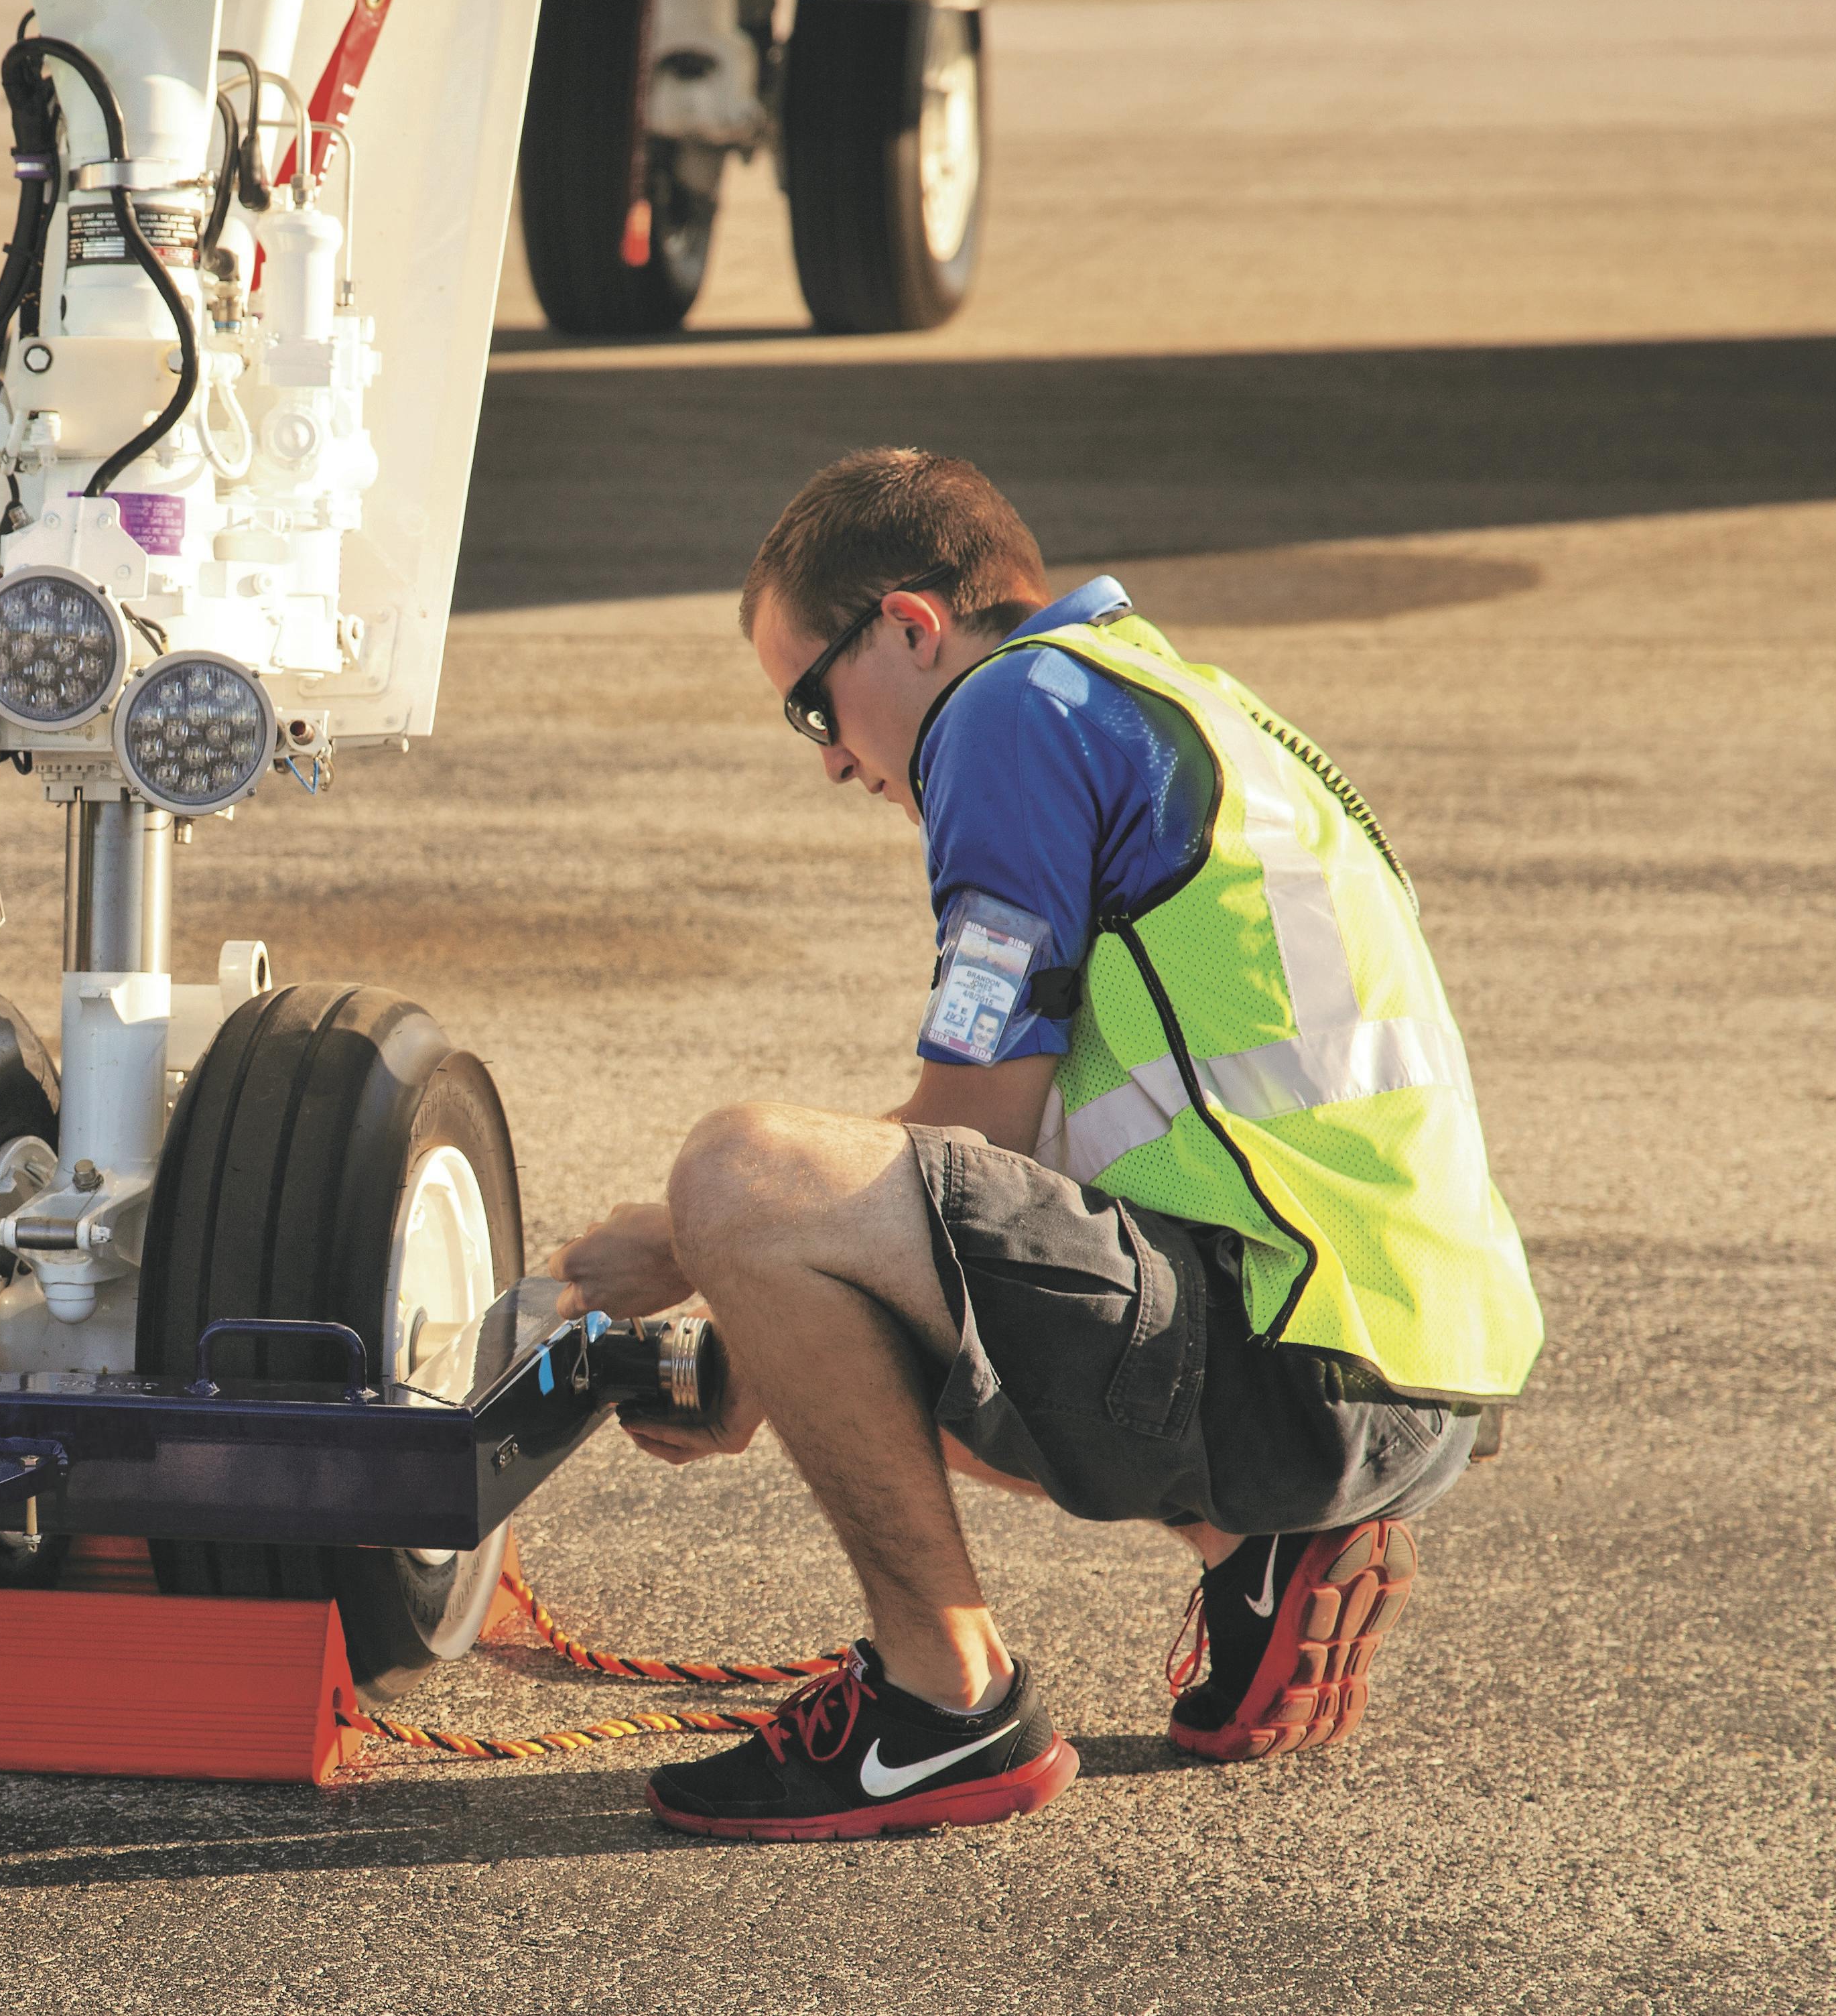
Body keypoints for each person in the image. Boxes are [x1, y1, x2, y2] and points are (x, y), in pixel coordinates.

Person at [557, 448, 1538, 1841]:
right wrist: (766, 1348)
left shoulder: (1012, 711)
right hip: (1406, 1353)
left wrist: (683, 1242)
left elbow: (966, 1132)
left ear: (908, 625)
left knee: (743, 1172)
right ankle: (1253, 1550)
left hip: (1295, 1360)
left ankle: (940, 1705)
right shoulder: (1167, 698)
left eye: (810, 702)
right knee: (824, 1221)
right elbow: (1000, 1194)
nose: (833, 757)